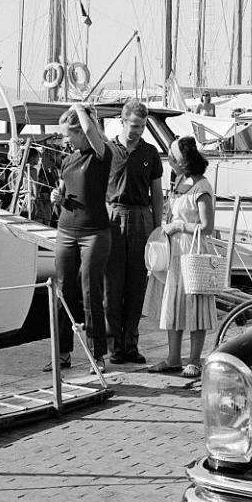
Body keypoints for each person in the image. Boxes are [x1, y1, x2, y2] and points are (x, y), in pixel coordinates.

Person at [145, 135, 217, 378]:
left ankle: (194, 359)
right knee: (173, 304)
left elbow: (207, 226)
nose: (170, 160)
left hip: (192, 250)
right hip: (175, 250)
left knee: (195, 305)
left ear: (183, 160)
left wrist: (179, 227)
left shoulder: (201, 187)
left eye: (173, 156)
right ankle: (173, 357)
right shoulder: (180, 182)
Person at [47, 103, 112, 372]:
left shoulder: (101, 154)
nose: (65, 139)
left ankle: (97, 356)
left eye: (69, 134)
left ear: (82, 132)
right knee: (63, 290)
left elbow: (88, 127)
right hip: (66, 229)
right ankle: (62, 353)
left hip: (94, 232)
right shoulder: (68, 159)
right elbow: (62, 194)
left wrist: (77, 106)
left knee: (90, 291)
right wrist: (56, 198)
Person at [105, 98, 163, 364]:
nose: (137, 130)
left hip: (142, 217)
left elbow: (157, 193)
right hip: (114, 215)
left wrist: (158, 228)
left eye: (141, 126)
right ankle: (115, 346)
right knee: (112, 286)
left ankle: (131, 344)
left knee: (137, 285)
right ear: (123, 121)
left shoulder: (150, 153)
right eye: (134, 125)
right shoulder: (107, 150)